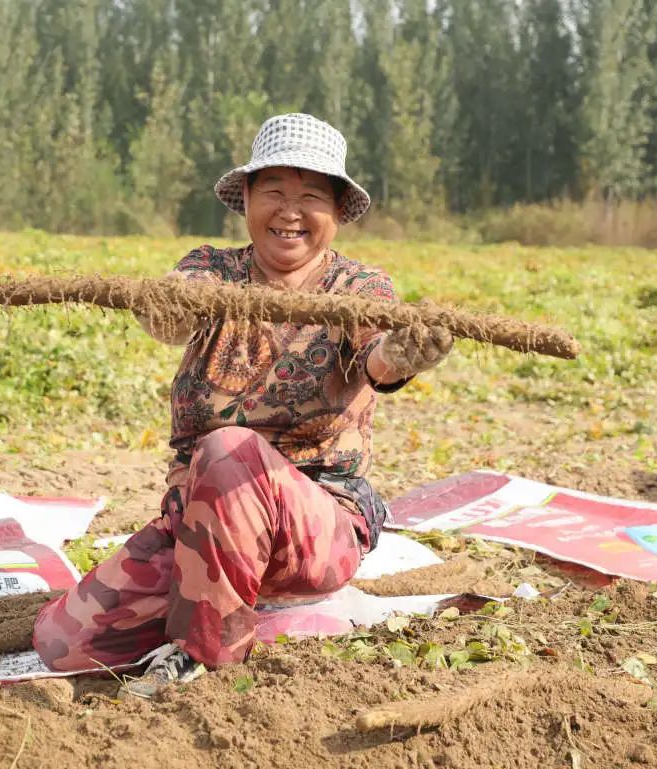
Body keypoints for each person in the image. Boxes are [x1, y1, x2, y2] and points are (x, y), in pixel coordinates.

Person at [31, 113, 452, 697]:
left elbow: (378, 358)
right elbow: (173, 315)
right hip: (203, 524)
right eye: (274, 191)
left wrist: (402, 355)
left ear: (335, 212)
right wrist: (167, 305)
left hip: (312, 527)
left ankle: (205, 653)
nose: (290, 211)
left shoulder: (359, 290)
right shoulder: (211, 270)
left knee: (229, 448)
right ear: (247, 199)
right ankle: (228, 596)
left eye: (310, 196)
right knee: (65, 643)